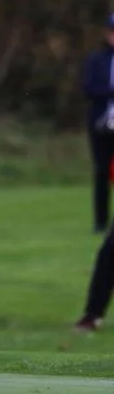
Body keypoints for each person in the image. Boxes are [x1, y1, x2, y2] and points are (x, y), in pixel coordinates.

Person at [82, 13, 114, 234]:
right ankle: (101, 222)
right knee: (102, 172)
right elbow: (88, 89)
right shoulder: (97, 60)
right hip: (102, 123)